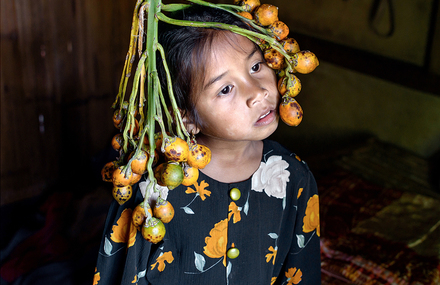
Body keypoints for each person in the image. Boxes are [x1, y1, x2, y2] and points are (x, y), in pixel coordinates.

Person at [94, 4, 320, 285]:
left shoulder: (294, 177)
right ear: (186, 117)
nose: (258, 92)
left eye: (255, 66)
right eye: (225, 89)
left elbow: (302, 274)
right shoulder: (154, 191)